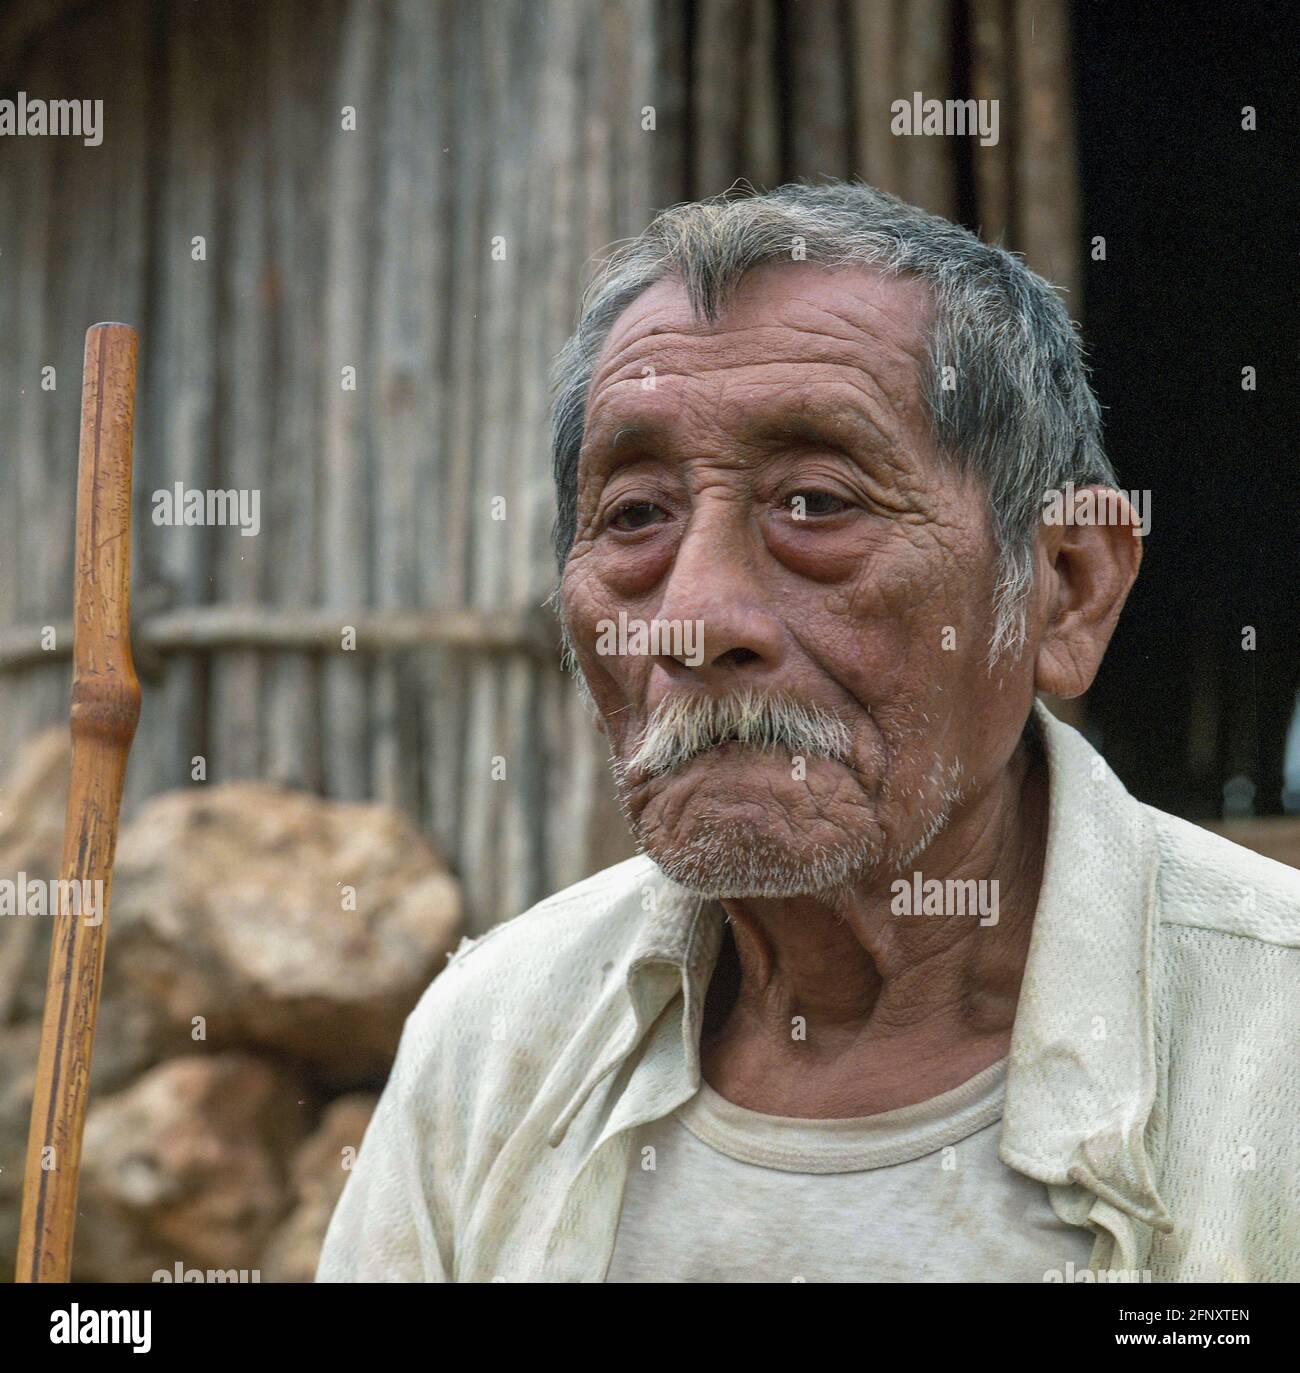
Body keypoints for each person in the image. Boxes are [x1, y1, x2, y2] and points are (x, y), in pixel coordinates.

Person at [317, 181, 1300, 1283]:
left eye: (818, 503)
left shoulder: (1274, 1039)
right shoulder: (495, 1040)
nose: (695, 617)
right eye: (635, 516)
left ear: (1063, 591)